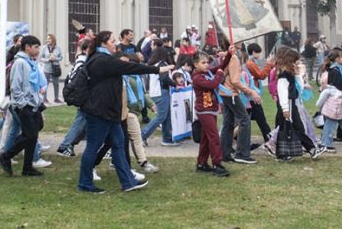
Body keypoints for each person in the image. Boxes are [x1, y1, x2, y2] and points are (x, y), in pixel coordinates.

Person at [76, 30, 171, 194]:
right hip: (99, 112)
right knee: (93, 147)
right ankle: (85, 183)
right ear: (103, 43)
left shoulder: (102, 58)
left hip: (109, 112)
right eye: (112, 41)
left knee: (119, 144)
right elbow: (130, 67)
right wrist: (157, 70)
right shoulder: (102, 60)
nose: (115, 44)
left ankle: (127, 182)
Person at [0, 35, 46, 177]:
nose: (38, 50)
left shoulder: (30, 62)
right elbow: (15, 86)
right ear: (27, 47)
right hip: (24, 106)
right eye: (36, 47)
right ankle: (5, 156)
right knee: (29, 135)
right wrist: (22, 105)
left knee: (33, 134)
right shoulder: (20, 63)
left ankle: (27, 167)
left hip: (34, 104)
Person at [273, 47, 325, 162]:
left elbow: (299, 89)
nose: (297, 64)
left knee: (290, 128)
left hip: (291, 104)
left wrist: (297, 75)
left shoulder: (290, 74)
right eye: (295, 61)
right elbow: (282, 93)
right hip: (288, 104)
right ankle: (311, 149)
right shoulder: (284, 76)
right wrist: (285, 109)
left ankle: (284, 153)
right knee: (294, 128)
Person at [193, 47, 234, 175]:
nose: (207, 65)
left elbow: (221, 66)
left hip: (211, 109)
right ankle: (217, 164)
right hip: (204, 111)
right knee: (214, 138)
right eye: (203, 63)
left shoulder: (207, 73)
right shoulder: (197, 78)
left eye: (207, 62)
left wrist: (229, 54)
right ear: (196, 64)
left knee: (206, 138)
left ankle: (201, 163)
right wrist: (220, 74)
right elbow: (212, 84)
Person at [219, 42, 258, 164]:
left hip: (225, 92)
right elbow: (235, 80)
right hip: (230, 93)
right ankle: (241, 153)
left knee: (228, 122)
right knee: (244, 120)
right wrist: (250, 91)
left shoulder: (228, 56)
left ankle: (224, 153)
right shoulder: (233, 57)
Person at [39, 34, 63, 103]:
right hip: (47, 68)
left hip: (55, 68)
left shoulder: (58, 48)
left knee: (56, 84)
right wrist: (48, 59)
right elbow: (40, 58)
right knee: (45, 84)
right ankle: (44, 99)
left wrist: (55, 58)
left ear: (53, 39)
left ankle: (56, 98)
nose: (47, 40)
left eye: (49, 39)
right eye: (47, 39)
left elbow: (61, 57)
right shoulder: (44, 48)